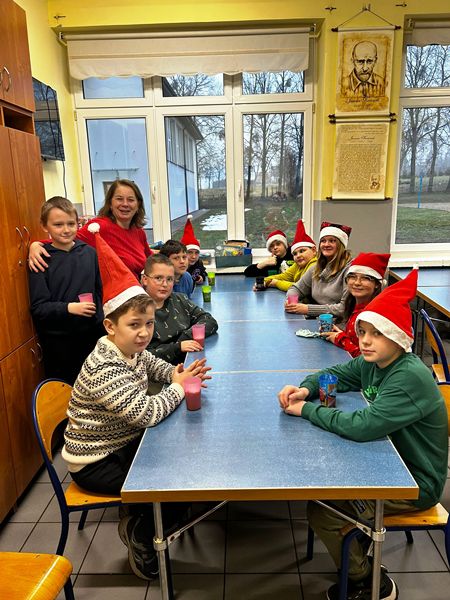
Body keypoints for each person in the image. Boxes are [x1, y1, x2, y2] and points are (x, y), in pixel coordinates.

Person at [278, 268, 448, 600]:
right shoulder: (374, 362)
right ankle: (359, 540)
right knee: (325, 484)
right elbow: (336, 373)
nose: (365, 341)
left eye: (377, 334)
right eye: (363, 332)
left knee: (322, 511)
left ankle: (370, 582)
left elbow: (363, 426)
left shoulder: (408, 376)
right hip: (385, 460)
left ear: (398, 337)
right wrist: (305, 388)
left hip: (414, 481)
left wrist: (307, 410)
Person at [62, 222, 211, 581]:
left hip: (120, 442)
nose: (144, 333)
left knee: (185, 468)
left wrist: (175, 373)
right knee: (175, 485)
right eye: (134, 325)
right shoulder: (105, 366)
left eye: (148, 323)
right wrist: (180, 387)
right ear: (110, 326)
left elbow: (154, 365)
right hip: (96, 461)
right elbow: (147, 413)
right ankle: (140, 534)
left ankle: (143, 515)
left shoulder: (129, 349)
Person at [28, 197, 104, 385]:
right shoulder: (41, 258)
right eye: (58, 224)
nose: (66, 229)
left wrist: (100, 324)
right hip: (59, 344)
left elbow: (99, 292)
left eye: (71, 223)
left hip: (91, 337)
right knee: (67, 390)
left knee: (96, 385)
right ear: (44, 226)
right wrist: (70, 308)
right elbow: (38, 308)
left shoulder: (89, 253)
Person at [27, 179, 152, 280]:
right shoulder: (99, 227)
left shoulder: (138, 231)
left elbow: (149, 257)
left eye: (130, 200)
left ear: (138, 204)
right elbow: (67, 238)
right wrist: (36, 245)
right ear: (110, 203)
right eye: (119, 199)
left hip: (136, 290)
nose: (125, 204)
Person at [142, 254, 218, 364]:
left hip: (189, 363)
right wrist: (178, 347)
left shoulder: (180, 299)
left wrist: (186, 337)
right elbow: (141, 357)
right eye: (158, 278)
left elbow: (209, 321)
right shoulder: (137, 311)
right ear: (145, 279)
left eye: (169, 279)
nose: (165, 284)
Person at [321, 252, 390, 357]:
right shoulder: (355, 306)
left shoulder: (374, 316)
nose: (357, 283)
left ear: (377, 284)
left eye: (365, 278)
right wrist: (339, 333)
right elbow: (354, 340)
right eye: (352, 277)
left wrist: (340, 339)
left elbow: (366, 357)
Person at [285, 222, 352, 321]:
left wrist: (308, 309)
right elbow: (296, 288)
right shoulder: (316, 268)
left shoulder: (350, 270)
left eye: (332, 241)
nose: (326, 244)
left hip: (339, 324)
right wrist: (292, 302)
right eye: (323, 241)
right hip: (318, 321)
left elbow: (343, 308)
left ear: (341, 245)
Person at [263, 220, 317, 292]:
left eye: (302, 251)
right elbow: (284, 276)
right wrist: (265, 281)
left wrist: (276, 283)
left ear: (313, 250)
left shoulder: (315, 265)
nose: (298, 255)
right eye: (295, 254)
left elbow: (301, 287)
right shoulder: (298, 265)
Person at [180, 215, 207, 285]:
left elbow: (203, 272)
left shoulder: (198, 263)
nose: (194, 256)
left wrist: (202, 277)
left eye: (196, 253)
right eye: (190, 252)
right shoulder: (178, 267)